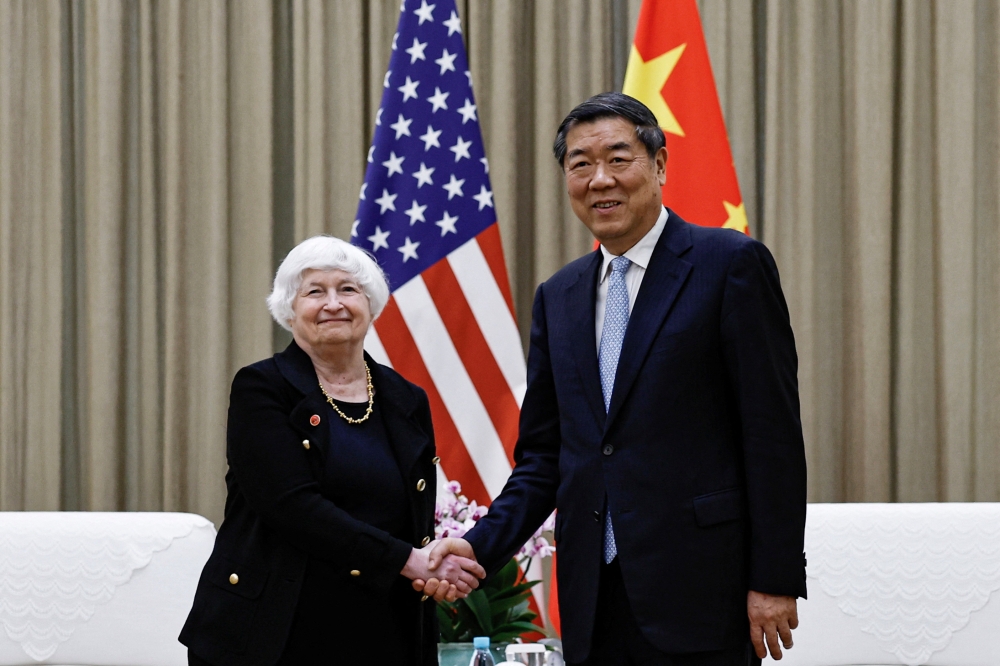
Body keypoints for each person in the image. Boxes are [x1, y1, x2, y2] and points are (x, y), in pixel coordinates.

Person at [418, 93, 807, 666]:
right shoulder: (559, 296)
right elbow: (545, 457)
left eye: (618, 159)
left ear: (660, 164)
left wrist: (773, 578)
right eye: (580, 164)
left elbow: (771, 435)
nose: (600, 179)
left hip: (702, 590)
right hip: (591, 600)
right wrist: (476, 547)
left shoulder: (730, 265)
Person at [180, 236, 485, 666]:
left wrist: (430, 565)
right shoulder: (262, 389)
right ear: (289, 310)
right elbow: (291, 506)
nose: (333, 303)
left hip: (385, 624)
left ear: (370, 303)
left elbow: (415, 516)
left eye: (348, 289)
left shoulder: (406, 398)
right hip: (276, 626)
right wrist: (408, 561)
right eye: (314, 292)